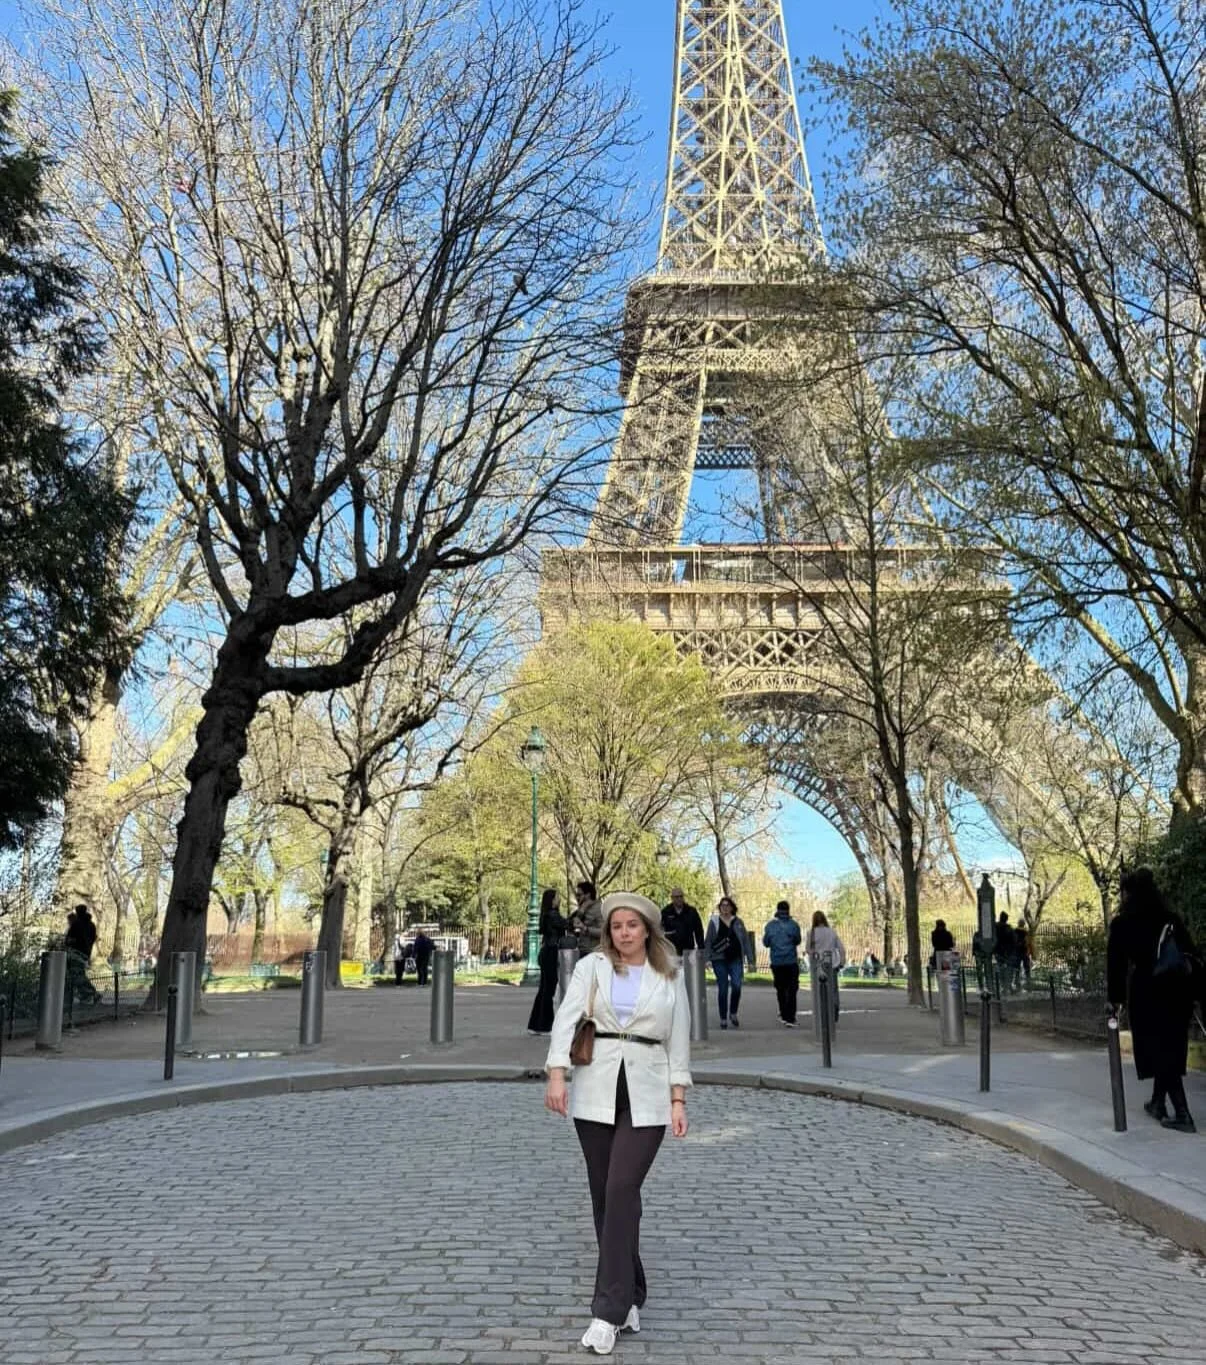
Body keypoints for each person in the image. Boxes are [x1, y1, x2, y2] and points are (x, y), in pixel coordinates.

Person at [544, 891, 691, 1356]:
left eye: (632, 925)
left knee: (621, 1189)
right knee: (605, 1195)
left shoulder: (669, 974)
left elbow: (679, 1039)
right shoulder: (591, 968)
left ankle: (607, 1311)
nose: (623, 933)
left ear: (648, 929)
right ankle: (630, 1291)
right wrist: (555, 1075)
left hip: (648, 1091)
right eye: (616, 926)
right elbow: (566, 1020)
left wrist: (678, 1098)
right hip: (596, 1086)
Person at [1107, 867, 1199, 1133]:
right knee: (1169, 1046)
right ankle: (1158, 1103)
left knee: (1160, 1052)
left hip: (1148, 991)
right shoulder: (1169, 918)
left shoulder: (1124, 922)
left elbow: (1116, 965)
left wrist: (1115, 1000)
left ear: (1129, 893)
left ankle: (1182, 1114)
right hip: (1177, 991)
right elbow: (1190, 953)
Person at [703, 895, 755, 1029]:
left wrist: (750, 959)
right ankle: (723, 1018)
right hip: (719, 958)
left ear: (732, 907)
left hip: (735, 958)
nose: (725, 908)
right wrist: (707, 959)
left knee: (737, 985)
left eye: (727, 905)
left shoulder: (738, 922)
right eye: (722, 906)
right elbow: (708, 941)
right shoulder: (714, 921)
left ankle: (733, 1012)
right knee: (723, 987)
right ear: (719, 908)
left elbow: (745, 941)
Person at [528, 888, 569, 1035]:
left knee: (543, 989)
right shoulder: (553, 915)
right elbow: (567, 924)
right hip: (551, 952)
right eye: (557, 897)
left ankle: (535, 1025)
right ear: (551, 901)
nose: (559, 900)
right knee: (548, 990)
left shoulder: (546, 914)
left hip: (546, 951)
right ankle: (545, 1025)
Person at [762, 900, 802, 1026]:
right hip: (791, 961)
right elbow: (797, 941)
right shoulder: (794, 925)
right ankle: (791, 1016)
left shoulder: (770, 926)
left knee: (780, 989)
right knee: (792, 989)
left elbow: (766, 943)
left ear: (777, 910)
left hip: (777, 961)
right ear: (788, 910)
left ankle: (784, 1013)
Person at [805, 911, 846, 1021]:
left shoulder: (811, 933)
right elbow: (841, 949)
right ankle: (834, 1010)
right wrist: (842, 962)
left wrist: (815, 953)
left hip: (818, 964)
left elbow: (808, 950)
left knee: (819, 989)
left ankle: (821, 1011)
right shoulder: (832, 932)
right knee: (833, 989)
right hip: (832, 964)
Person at [65, 904, 102, 1004]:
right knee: (76, 974)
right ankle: (84, 995)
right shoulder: (91, 925)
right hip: (86, 953)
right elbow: (94, 938)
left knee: (77, 975)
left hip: (75, 953)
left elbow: (69, 939)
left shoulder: (77, 924)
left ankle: (92, 993)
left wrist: (68, 943)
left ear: (77, 912)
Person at [660, 888, 704, 956]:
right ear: (672, 898)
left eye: (681, 896)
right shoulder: (665, 912)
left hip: (688, 950)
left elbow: (699, 931)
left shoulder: (691, 911)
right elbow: (660, 930)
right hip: (672, 951)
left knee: (688, 967)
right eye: (677, 897)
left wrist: (701, 949)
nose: (679, 899)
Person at [571, 881, 603, 955]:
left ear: (588, 895)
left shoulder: (599, 908)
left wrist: (586, 929)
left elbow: (604, 932)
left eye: (579, 895)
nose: (577, 898)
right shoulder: (581, 908)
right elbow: (573, 923)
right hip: (582, 950)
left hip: (593, 952)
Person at [994, 911, 1016, 993]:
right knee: (1009, 969)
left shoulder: (995, 927)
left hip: (998, 951)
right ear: (1006, 919)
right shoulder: (1009, 928)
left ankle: (1003, 986)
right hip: (1008, 952)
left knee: (1000, 969)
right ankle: (1008, 986)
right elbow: (1014, 940)